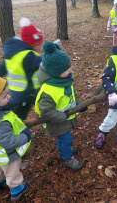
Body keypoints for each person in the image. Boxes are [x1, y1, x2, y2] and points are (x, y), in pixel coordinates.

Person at [35, 42, 85, 171]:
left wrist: (80, 105)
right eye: (66, 69)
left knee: (62, 137)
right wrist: (62, 116)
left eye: (69, 68)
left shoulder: (64, 81)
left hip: (64, 118)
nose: (70, 71)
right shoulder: (49, 91)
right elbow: (45, 111)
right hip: (57, 121)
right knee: (66, 138)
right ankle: (67, 158)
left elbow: (72, 94)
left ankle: (62, 151)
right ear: (55, 72)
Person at [0, 17, 43, 120]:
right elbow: (44, 62)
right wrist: (54, 49)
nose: (39, 46)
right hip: (26, 93)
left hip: (20, 92)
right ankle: (14, 131)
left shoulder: (13, 54)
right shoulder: (28, 56)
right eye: (38, 44)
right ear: (32, 43)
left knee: (42, 105)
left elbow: (0, 69)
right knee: (19, 116)